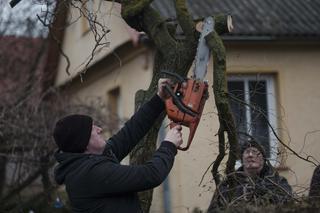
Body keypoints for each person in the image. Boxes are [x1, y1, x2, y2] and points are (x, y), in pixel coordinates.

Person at [53, 79, 183, 213]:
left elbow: (130, 132)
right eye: (93, 129)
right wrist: (169, 145)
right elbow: (150, 175)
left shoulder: (93, 159)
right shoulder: (90, 174)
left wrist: (159, 99)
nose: (99, 129)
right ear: (84, 143)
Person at [208, 139, 293, 211]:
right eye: (247, 152)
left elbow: (287, 204)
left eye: (255, 152)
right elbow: (214, 209)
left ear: (263, 158)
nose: (250, 155)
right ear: (242, 159)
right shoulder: (228, 184)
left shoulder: (278, 181)